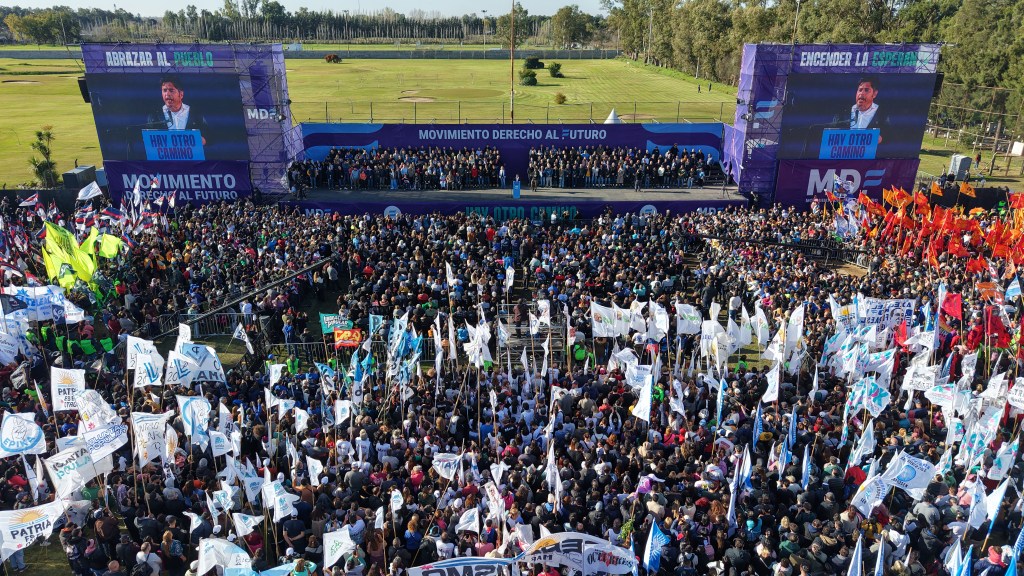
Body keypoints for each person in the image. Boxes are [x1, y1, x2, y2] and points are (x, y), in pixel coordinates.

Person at [146, 76, 209, 145]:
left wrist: (198, 140)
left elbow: (207, 136)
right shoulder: (155, 115)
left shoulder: (194, 113)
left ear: (181, 94)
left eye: (171, 90)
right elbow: (148, 141)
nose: (167, 94)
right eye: (164, 90)